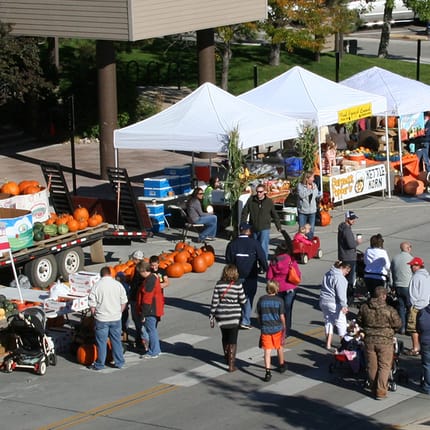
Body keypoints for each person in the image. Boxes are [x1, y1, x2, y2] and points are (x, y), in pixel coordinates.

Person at [357, 286, 402, 400]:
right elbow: (398, 324)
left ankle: (373, 387)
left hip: (369, 340)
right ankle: (381, 391)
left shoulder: (364, 307)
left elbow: (359, 321)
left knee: (372, 366)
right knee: (384, 366)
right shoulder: (389, 310)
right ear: (384, 296)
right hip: (385, 340)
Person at [225, 222, 268, 329]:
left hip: (236, 275)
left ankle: (235, 317)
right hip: (251, 275)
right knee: (248, 297)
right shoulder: (254, 243)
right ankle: (245, 320)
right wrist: (266, 269)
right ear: (248, 231)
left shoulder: (232, 244)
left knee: (237, 297)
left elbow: (228, 260)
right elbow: (262, 257)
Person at [88, 266, 128, 370]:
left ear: (100, 275)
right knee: (116, 341)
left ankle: (100, 364)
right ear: (110, 274)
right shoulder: (118, 285)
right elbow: (124, 301)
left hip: (102, 318)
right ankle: (119, 362)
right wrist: (119, 312)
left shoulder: (96, 286)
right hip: (115, 317)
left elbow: (92, 305)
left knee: (101, 343)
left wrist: (94, 315)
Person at [209, 264, 247, 372]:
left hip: (221, 315)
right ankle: (231, 364)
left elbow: (215, 301)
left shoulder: (219, 284)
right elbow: (243, 300)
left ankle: (226, 356)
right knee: (233, 340)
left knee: (224, 337)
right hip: (234, 315)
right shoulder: (238, 285)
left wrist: (211, 315)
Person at [267, 236, 301, 339]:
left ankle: (278, 328)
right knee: (288, 309)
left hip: (278, 288)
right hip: (290, 288)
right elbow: (298, 274)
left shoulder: (273, 261)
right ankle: (286, 330)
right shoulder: (291, 259)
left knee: (279, 310)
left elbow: (269, 276)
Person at [240, 183, 282, 260]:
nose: (258, 193)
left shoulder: (269, 202)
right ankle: (254, 263)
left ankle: (263, 264)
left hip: (264, 228)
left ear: (264, 192)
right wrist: (243, 224)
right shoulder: (251, 200)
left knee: (263, 247)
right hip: (253, 227)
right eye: (257, 191)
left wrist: (278, 226)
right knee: (254, 247)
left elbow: (274, 214)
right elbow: (245, 212)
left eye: (260, 192)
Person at [256, 280, 287, 382]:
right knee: (279, 347)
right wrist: (284, 326)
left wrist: (261, 324)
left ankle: (267, 372)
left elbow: (258, 315)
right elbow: (282, 316)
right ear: (276, 289)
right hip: (277, 328)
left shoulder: (261, 300)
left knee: (267, 351)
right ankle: (282, 365)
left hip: (266, 329)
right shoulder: (279, 301)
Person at [136, 261, 165, 358]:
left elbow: (147, 298)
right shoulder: (152, 278)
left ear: (144, 271)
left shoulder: (149, 281)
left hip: (150, 310)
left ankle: (153, 351)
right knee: (152, 330)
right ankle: (156, 349)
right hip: (154, 308)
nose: (139, 274)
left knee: (151, 330)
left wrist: (143, 314)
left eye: (140, 272)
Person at [319, 261, 351, 350]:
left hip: (323, 301)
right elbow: (341, 294)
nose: (347, 273)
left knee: (329, 322)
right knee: (342, 324)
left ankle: (328, 344)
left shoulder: (328, 273)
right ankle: (345, 345)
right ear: (344, 268)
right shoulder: (340, 278)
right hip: (334, 303)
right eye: (347, 271)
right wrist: (344, 305)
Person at [407, 257, 430, 356]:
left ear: (418, 266)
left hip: (417, 306)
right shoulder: (427, 276)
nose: (411, 267)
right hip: (427, 305)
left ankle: (416, 347)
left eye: (413, 266)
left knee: (414, 328)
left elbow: (413, 293)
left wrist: (413, 305)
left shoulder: (416, 277)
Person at [338, 210, 362, 304]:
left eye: (354, 218)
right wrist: (357, 242)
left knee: (344, 278)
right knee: (350, 280)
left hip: (343, 256)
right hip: (349, 258)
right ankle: (349, 299)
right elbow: (351, 244)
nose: (353, 220)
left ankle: (344, 297)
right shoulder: (347, 230)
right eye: (352, 219)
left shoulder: (342, 227)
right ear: (347, 219)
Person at [391, 241, 413, 334]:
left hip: (397, 285)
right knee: (409, 307)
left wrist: (392, 285)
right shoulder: (411, 259)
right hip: (407, 285)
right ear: (408, 248)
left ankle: (402, 327)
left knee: (401, 306)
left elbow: (391, 272)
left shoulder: (395, 258)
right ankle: (409, 328)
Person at [128, 250, 146, 351]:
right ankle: (139, 339)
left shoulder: (139, 270)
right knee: (138, 321)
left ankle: (141, 342)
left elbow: (136, 284)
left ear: (136, 259)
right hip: (137, 298)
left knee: (138, 321)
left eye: (133, 259)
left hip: (136, 298)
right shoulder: (143, 268)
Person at [363, 233, 391, 298]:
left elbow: (365, 262)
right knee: (378, 297)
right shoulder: (383, 252)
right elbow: (387, 266)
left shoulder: (368, 250)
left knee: (371, 294)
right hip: (379, 277)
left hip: (368, 275)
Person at [296, 171, 319, 240]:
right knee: (302, 229)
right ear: (307, 178)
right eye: (312, 177)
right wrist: (310, 190)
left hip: (312, 211)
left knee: (311, 229)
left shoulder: (314, 185)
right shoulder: (300, 186)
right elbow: (302, 195)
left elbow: (315, 195)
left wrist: (313, 190)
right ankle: (301, 242)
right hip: (303, 211)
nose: (313, 179)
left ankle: (310, 241)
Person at [417, 300, 430, 394]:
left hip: (425, 341)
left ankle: (427, 386)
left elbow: (418, 328)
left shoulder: (422, 312)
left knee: (427, 364)